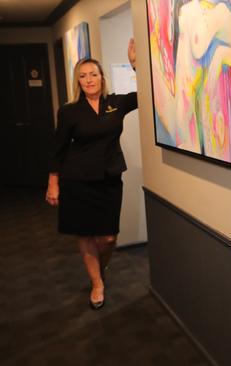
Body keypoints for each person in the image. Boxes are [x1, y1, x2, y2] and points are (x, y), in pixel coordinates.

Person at [45, 40, 138, 310]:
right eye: (83, 76)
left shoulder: (116, 103)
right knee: (85, 235)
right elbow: (57, 148)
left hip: (109, 179)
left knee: (108, 237)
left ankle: (100, 266)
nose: (88, 80)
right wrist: (53, 183)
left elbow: (148, 93)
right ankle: (97, 284)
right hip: (77, 181)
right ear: (78, 81)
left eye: (93, 74)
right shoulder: (69, 111)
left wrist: (135, 64)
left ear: (102, 77)